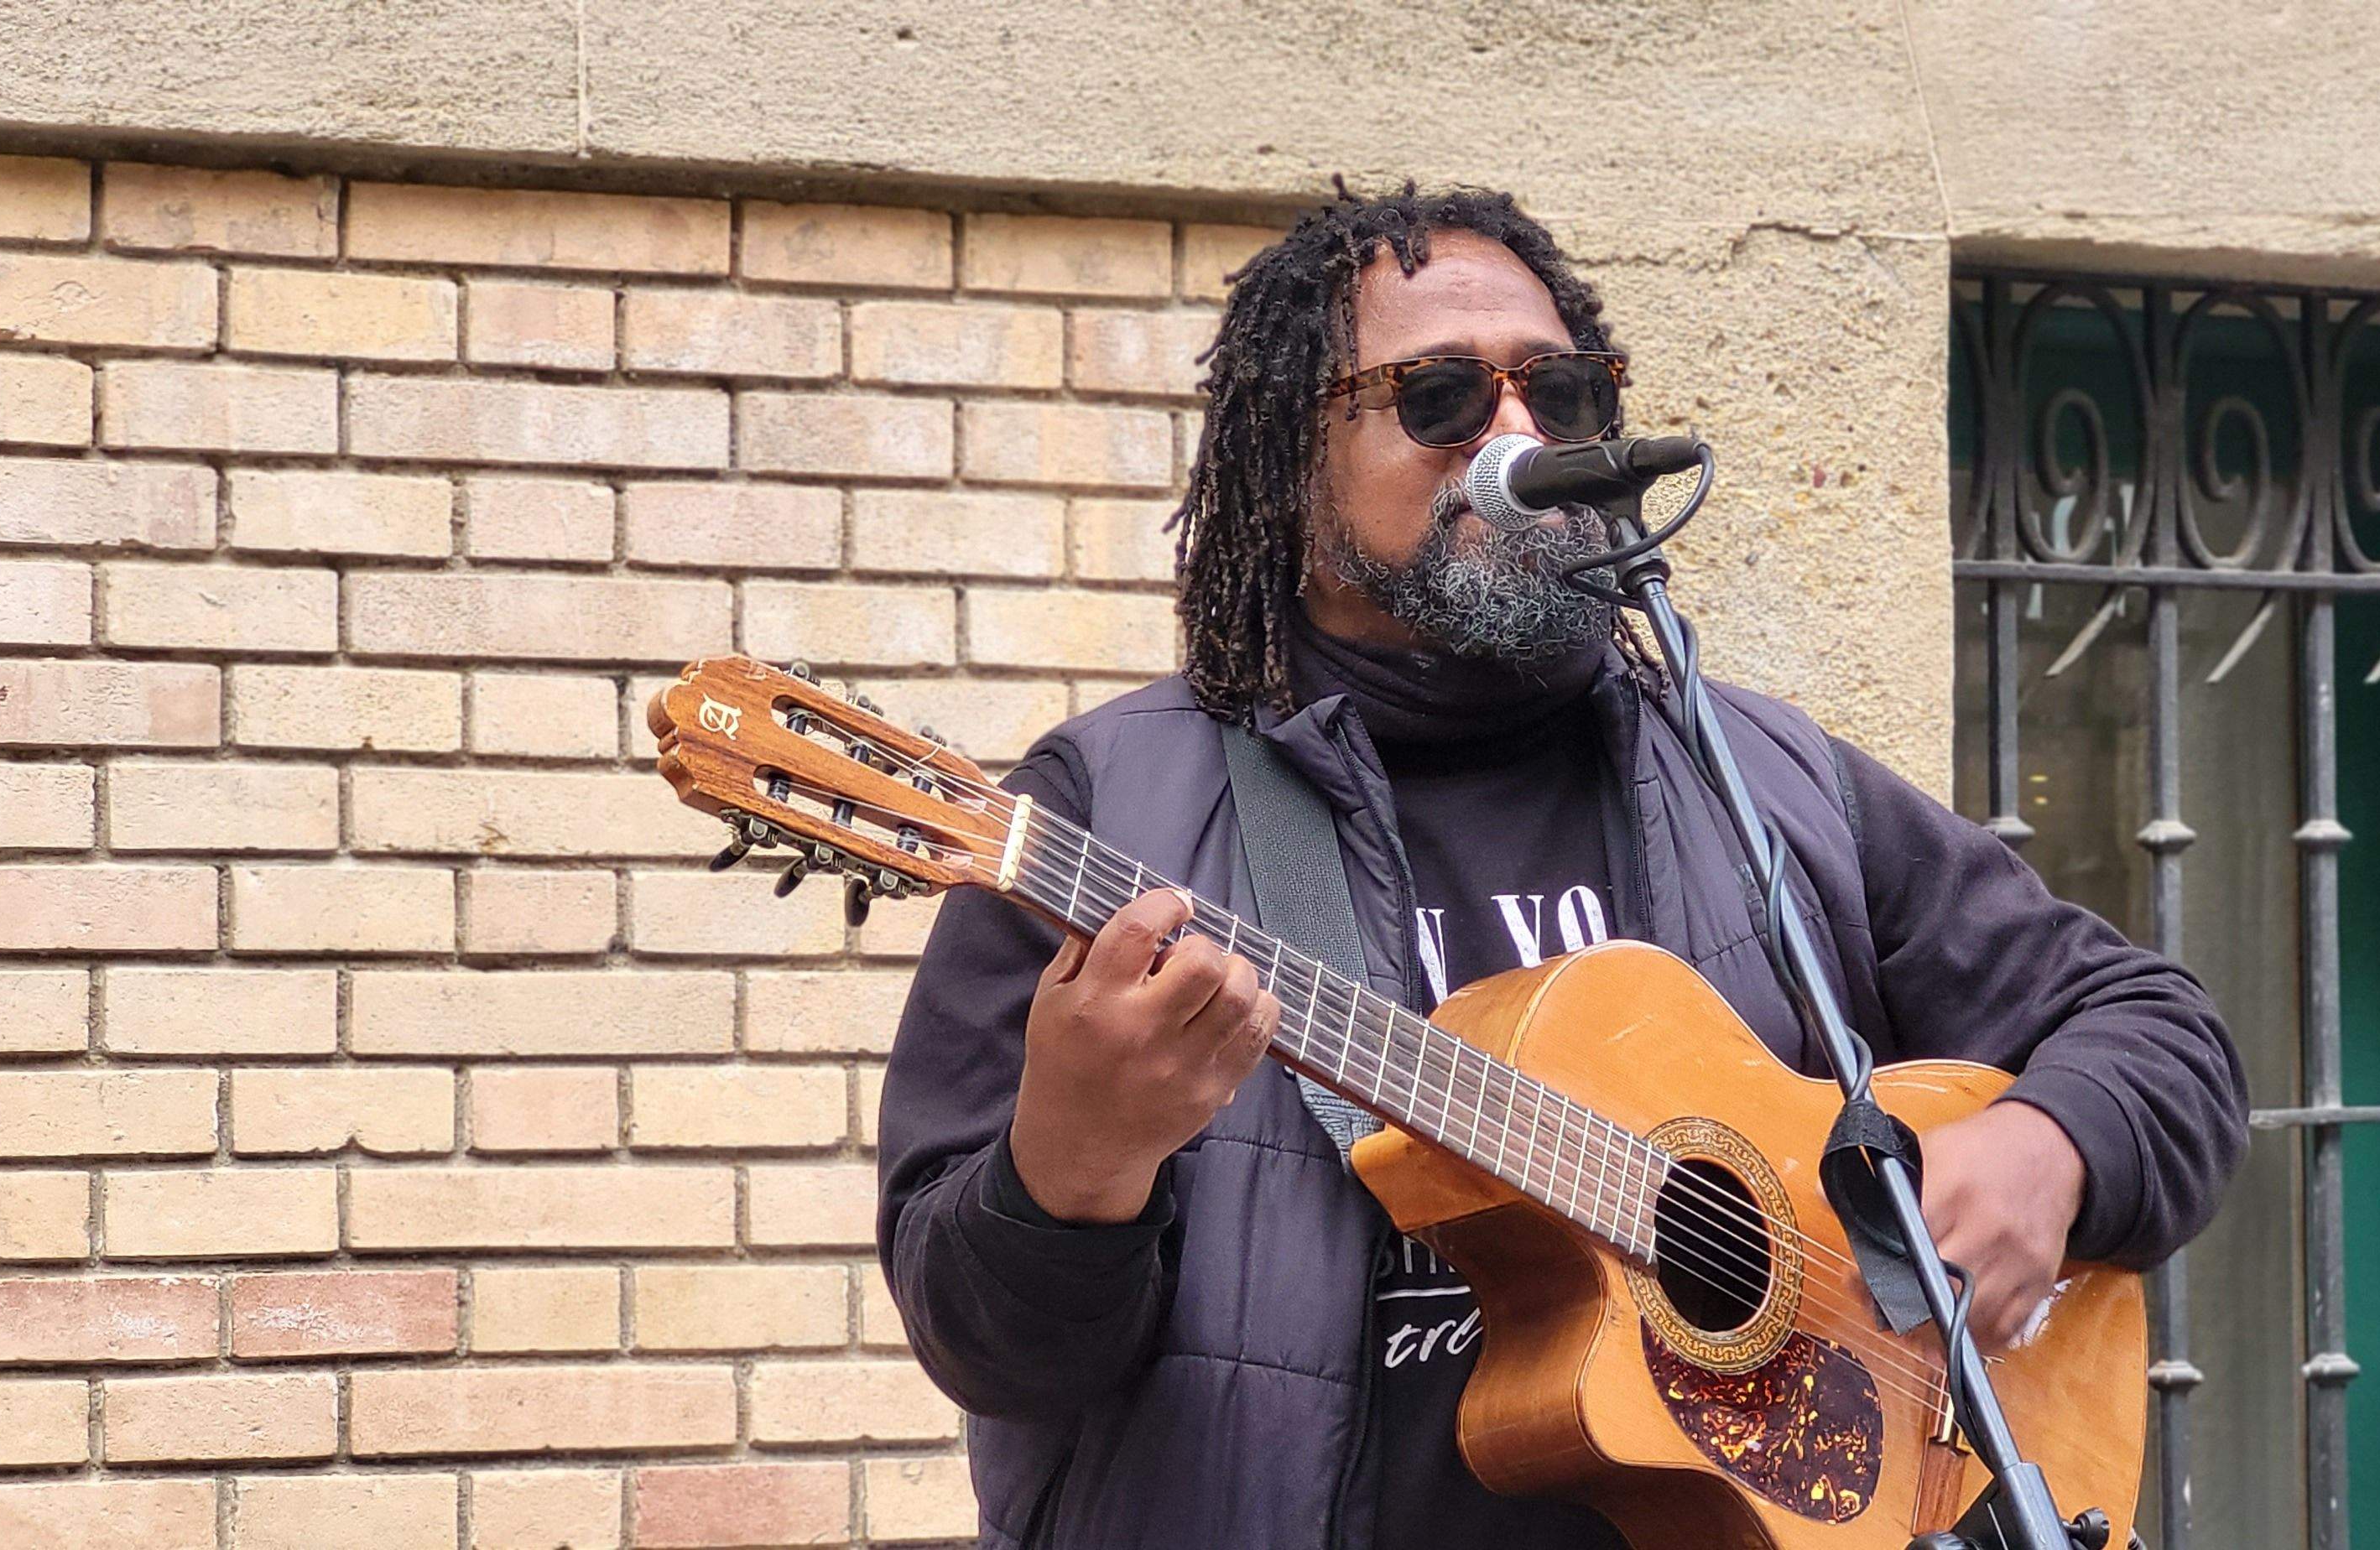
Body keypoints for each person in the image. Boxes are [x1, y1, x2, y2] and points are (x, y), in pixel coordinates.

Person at [875, 181, 2247, 1550]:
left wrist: (2050, 1143)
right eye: (1440, 399)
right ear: (1295, 466)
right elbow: (989, 1350)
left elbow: (2159, 1033)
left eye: (1562, 394)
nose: (1515, 437)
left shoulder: (1763, 780)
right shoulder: (1106, 816)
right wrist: (1074, 1165)